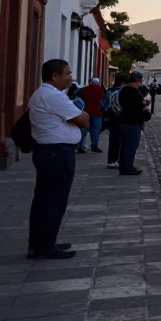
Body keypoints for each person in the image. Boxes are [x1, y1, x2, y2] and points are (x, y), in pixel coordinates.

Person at [26, 59, 89, 259]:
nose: (70, 78)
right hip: (57, 153)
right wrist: (83, 113)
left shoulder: (42, 94)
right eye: (67, 73)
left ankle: (41, 243)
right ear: (55, 76)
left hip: (49, 151)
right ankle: (45, 247)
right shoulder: (53, 96)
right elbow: (82, 119)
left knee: (45, 200)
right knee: (54, 201)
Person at [117, 71, 152, 175]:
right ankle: (128, 167)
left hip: (123, 121)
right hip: (132, 122)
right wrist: (146, 109)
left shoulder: (123, 90)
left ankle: (123, 166)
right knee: (131, 146)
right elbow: (136, 108)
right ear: (138, 80)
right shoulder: (134, 92)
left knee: (124, 146)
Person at [102, 74, 127, 169]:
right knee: (121, 140)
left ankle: (111, 160)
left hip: (111, 117)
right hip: (120, 117)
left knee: (113, 140)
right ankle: (117, 160)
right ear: (123, 82)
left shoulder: (109, 91)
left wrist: (105, 115)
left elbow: (103, 103)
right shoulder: (122, 92)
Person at [77, 77, 106, 154]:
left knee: (83, 129)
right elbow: (102, 101)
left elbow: (79, 99)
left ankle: (80, 146)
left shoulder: (84, 90)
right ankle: (94, 145)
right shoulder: (100, 90)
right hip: (97, 113)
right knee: (96, 130)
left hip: (86, 112)